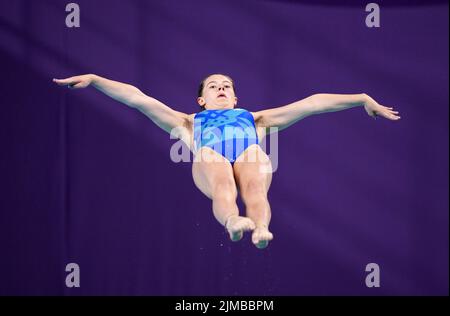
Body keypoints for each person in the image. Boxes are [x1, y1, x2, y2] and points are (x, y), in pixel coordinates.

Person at [53, 73, 400, 249]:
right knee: (222, 180)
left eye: (227, 86)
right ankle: (233, 221)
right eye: (213, 86)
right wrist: (97, 81)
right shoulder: (187, 121)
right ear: (201, 99)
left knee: (255, 187)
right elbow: (137, 98)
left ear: (235, 96)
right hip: (210, 155)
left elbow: (312, 103)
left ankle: (260, 228)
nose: (221, 88)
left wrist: (360, 98)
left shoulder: (257, 118)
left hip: (247, 150)